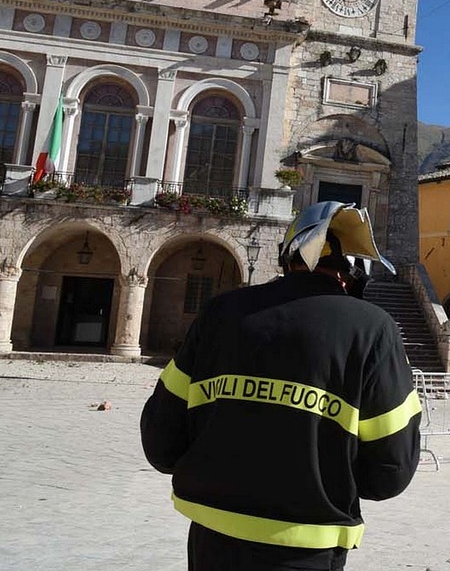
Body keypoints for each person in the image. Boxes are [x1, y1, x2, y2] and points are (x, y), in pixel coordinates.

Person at [140, 201, 422, 571]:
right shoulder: (372, 329)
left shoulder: (220, 314)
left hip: (213, 539)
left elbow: (161, 440)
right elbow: (392, 470)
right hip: (307, 546)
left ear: (287, 258)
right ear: (352, 275)